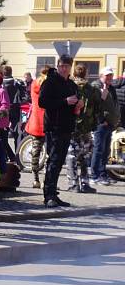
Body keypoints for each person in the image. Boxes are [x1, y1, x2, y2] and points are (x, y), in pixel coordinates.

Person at [39, 54, 82, 208]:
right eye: (62, 66)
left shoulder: (71, 84)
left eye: (67, 66)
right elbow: (42, 102)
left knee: (59, 163)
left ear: (71, 67)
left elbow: (75, 105)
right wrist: (65, 102)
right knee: (53, 161)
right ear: (58, 66)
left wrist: (78, 106)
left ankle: (54, 194)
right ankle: (48, 195)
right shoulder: (50, 82)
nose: (64, 69)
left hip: (67, 127)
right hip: (53, 127)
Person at [66, 64, 101, 193]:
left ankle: (73, 183)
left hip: (72, 126)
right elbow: (98, 109)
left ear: (74, 73)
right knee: (84, 155)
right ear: (86, 74)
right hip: (86, 127)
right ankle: (85, 183)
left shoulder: (69, 87)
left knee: (71, 155)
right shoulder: (92, 89)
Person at [90, 66, 119, 186]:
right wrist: (101, 120)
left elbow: (113, 105)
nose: (110, 77)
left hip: (110, 123)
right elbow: (95, 105)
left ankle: (102, 174)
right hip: (101, 124)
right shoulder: (96, 86)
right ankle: (94, 175)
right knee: (98, 150)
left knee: (105, 150)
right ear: (101, 75)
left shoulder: (110, 87)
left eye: (111, 75)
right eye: (107, 75)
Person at [25, 66, 50, 188]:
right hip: (49, 122)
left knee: (36, 152)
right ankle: (47, 180)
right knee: (50, 154)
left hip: (36, 122)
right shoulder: (49, 85)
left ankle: (36, 179)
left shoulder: (34, 84)